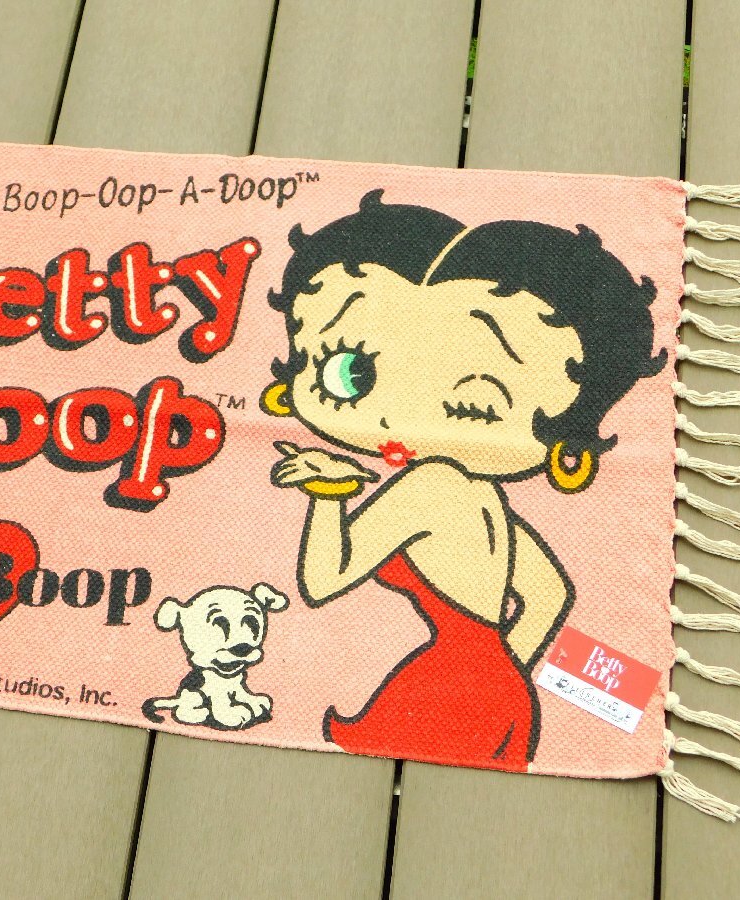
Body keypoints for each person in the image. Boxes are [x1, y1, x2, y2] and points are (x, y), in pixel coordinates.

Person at [261, 190, 666, 770]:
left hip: (442, 694)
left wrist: (330, 491)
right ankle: (603, 706)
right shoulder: (483, 496)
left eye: (474, 402)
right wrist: (501, 676)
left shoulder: (434, 484)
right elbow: (549, 596)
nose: (396, 418)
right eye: (349, 372)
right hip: (502, 697)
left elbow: (324, 581)